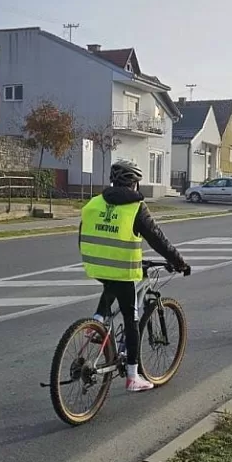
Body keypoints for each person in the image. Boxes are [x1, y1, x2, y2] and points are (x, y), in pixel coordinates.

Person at [79, 160, 190, 392]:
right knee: (132, 319)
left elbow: (83, 233)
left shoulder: (95, 202)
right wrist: (179, 262)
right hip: (122, 269)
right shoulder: (135, 206)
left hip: (95, 264)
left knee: (111, 284)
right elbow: (157, 238)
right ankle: (132, 377)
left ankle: (97, 322)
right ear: (135, 183)